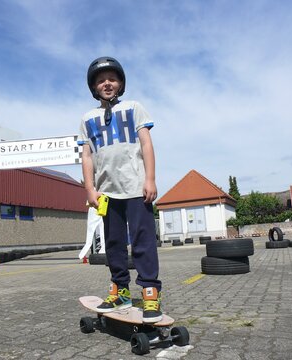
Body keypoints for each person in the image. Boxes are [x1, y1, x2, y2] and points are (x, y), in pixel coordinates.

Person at [78, 56, 162, 323]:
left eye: (112, 79)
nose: (107, 83)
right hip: (107, 193)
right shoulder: (87, 118)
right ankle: (120, 291)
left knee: (142, 242)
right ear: (93, 87)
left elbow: (146, 144)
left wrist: (150, 179)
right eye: (101, 80)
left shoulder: (134, 107)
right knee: (113, 245)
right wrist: (90, 189)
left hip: (136, 189)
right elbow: (87, 156)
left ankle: (150, 292)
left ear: (121, 83)